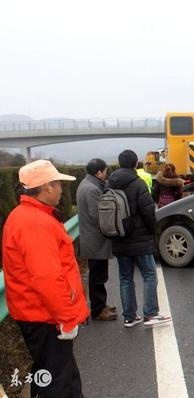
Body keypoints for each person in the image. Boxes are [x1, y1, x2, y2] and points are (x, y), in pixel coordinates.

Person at [2, 159, 89, 397]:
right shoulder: (35, 223)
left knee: (49, 374)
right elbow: (46, 278)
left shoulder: (28, 216)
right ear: (47, 186)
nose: (62, 189)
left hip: (39, 314)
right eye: (59, 184)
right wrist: (67, 318)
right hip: (46, 317)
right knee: (61, 382)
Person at [108, 150, 172, 327]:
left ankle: (129, 317)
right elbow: (148, 212)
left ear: (120, 163)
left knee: (125, 278)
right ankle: (150, 314)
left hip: (119, 238)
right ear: (136, 163)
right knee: (149, 275)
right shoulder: (138, 184)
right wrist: (152, 232)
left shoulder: (109, 185)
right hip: (140, 238)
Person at [76, 158, 117, 321]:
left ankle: (101, 304)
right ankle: (98, 310)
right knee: (98, 277)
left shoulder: (86, 184)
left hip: (91, 239)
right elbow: (97, 216)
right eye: (105, 171)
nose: (106, 175)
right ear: (99, 172)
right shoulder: (92, 189)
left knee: (98, 274)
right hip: (95, 240)